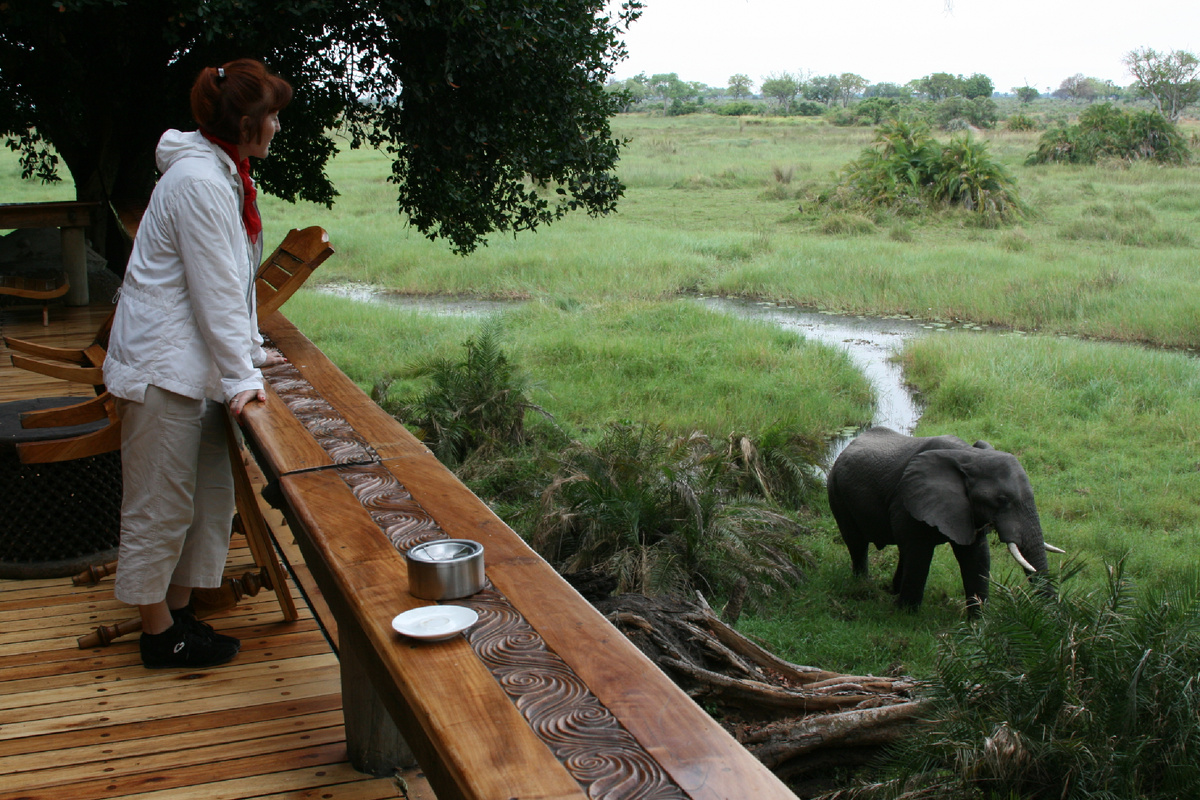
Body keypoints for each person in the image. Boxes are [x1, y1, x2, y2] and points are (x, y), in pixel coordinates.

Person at [103, 59, 292, 669]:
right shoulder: (200, 184)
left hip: (193, 368)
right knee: (161, 502)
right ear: (245, 123)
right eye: (271, 117)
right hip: (165, 370)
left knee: (205, 499)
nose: (277, 127)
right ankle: (158, 634)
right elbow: (216, 292)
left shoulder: (220, 174)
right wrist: (244, 377)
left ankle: (178, 614)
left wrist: (246, 359)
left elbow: (229, 291)